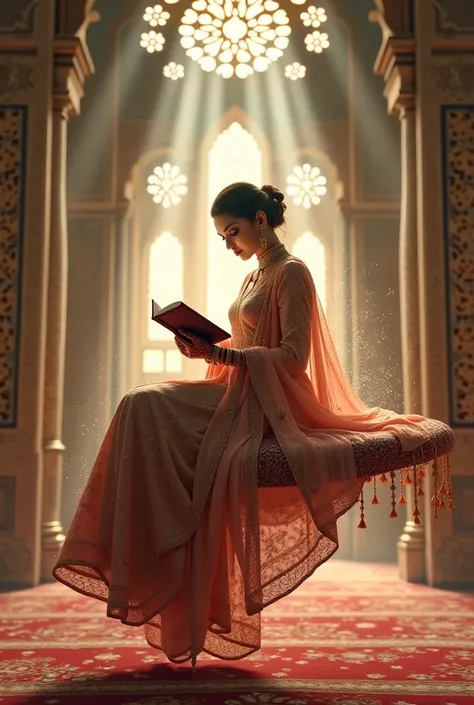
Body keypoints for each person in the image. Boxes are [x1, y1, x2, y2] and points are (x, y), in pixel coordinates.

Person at [53, 182, 431, 667]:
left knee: (143, 403)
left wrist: (221, 353)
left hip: (264, 405)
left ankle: (153, 554)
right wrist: (204, 344)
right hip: (234, 389)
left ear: (259, 220)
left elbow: (294, 358)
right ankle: (137, 556)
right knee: (138, 405)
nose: (228, 243)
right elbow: (246, 339)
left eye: (232, 232)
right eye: (221, 237)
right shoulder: (255, 276)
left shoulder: (292, 273)